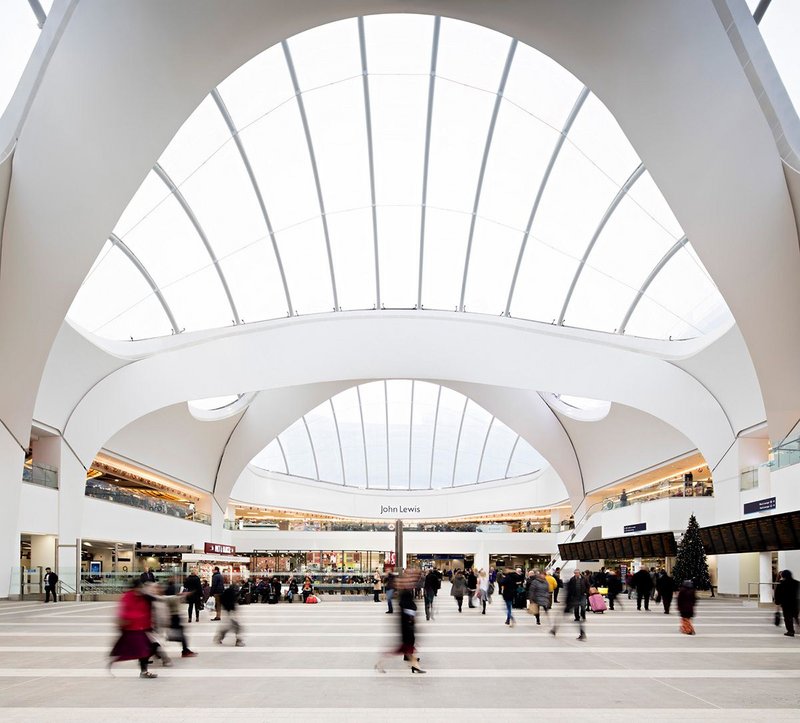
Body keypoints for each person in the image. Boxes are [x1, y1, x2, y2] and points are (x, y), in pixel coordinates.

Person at [375, 569, 425, 674]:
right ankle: (380, 663)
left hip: (407, 625)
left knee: (407, 649)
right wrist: (411, 619)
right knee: (403, 648)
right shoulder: (405, 594)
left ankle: (415, 665)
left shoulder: (405, 593)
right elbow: (407, 608)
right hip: (407, 626)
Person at [109, 579, 158, 678]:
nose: (140, 590)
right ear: (134, 588)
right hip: (132, 630)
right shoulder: (128, 597)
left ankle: (143, 670)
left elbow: (152, 604)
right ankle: (143, 671)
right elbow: (125, 612)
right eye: (139, 588)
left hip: (142, 628)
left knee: (150, 648)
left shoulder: (143, 597)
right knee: (144, 649)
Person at [163, 578, 197, 658]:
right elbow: (179, 596)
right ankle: (185, 650)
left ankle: (185, 650)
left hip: (172, 616)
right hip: (174, 617)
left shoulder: (167, 596)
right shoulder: (172, 598)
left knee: (179, 634)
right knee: (179, 634)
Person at [553, 569, 587, 640]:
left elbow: (568, 593)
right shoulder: (571, 580)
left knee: (561, 617)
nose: (576, 574)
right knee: (561, 617)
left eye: (577, 573)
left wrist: (585, 593)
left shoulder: (582, 579)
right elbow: (569, 593)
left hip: (574, 601)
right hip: (572, 600)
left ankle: (554, 630)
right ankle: (554, 630)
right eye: (575, 573)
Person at [214, 581, 245, 647]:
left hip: (227, 611)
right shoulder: (232, 593)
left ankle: (219, 637)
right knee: (237, 627)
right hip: (230, 612)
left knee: (229, 626)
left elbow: (221, 599)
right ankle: (238, 641)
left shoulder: (226, 592)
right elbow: (232, 603)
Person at [774, 569, 799, 637]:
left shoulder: (781, 584)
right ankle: (798, 627)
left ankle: (790, 631)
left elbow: (778, 595)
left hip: (786, 604)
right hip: (796, 603)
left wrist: (777, 603)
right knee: (796, 616)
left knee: (788, 618)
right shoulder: (797, 583)